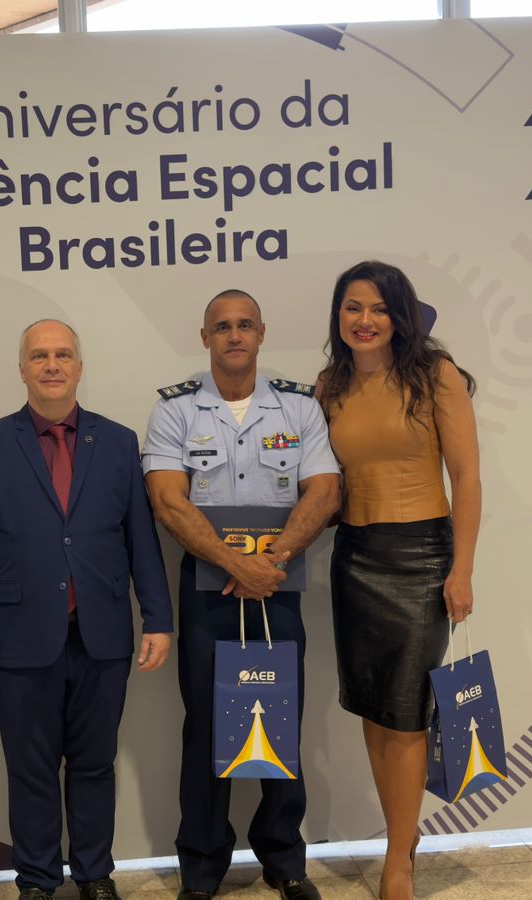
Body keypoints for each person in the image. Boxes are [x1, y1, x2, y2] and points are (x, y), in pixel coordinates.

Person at [0, 319, 173, 900]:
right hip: (19, 634)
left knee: (96, 764)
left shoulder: (118, 441)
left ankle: (95, 875)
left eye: (63, 355)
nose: (52, 365)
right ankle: (37, 881)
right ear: (21, 369)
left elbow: (140, 539)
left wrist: (158, 617)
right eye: (40, 356)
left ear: (79, 366)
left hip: (102, 632)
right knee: (30, 769)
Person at [142, 290, 342, 900]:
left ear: (261, 334)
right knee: (207, 724)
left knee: (280, 717)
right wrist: (236, 564)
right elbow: (168, 501)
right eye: (222, 326)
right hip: (207, 587)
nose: (234, 335)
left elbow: (324, 492)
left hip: (279, 586)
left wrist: (268, 563)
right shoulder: (176, 410)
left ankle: (284, 859)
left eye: (245, 325)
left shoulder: (299, 408)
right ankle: (203, 868)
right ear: (205, 337)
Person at [315, 261, 480, 900]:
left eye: (379, 308)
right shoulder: (328, 385)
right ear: (338, 315)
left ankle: (397, 863)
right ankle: (400, 836)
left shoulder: (435, 375)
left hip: (421, 560)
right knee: (375, 709)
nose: (365, 320)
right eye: (353, 307)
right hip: (354, 558)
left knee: (409, 714)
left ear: (400, 315)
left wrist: (462, 569)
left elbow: (466, 477)